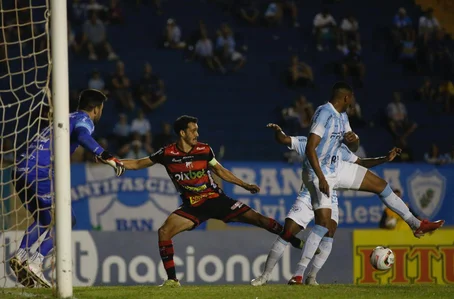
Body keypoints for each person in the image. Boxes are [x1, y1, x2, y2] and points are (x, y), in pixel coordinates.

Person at [120, 115, 305, 287]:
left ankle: (293, 240)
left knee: (260, 219)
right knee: (164, 231)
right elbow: (137, 163)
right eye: (193, 130)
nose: (197, 134)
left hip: (216, 200)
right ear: (182, 133)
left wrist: (244, 185)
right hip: (193, 206)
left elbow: (220, 171)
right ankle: (172, 281)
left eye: (197, 130)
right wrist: (112, 160)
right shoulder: (167, 153)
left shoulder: (204, 149)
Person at [289, 81, 444, 284]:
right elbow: (310, 148)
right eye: (351, 97)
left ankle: (415, 224)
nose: (353, 101)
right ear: (346, 97)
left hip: (337, 167)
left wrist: (353, 141)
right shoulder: (324, 113)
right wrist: (322, 177)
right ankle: (299, 274)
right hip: (318, 172)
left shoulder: (343, 116)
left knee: (381, 185)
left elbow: (354, 147)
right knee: (323, 224)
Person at [251, 123, 402, 286]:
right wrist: (278, 131)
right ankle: (265, 276)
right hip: (308, 195)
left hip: (329, 197)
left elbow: (360, 163)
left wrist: (385, 159)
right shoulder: (307, 143)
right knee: (287, 233)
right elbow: (284, 139)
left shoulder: (341, 149)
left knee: (329, 233)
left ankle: (311, 277)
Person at [10, 89, 125, 288]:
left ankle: (20, 256)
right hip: (40, 171)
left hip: (19, 169)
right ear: (96, 109)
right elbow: (82, 135)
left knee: (45, 218)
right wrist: (105, 154)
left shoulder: (64, 117)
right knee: (67, 219)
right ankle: (36, 262)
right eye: (101, 109)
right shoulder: (84, 119)